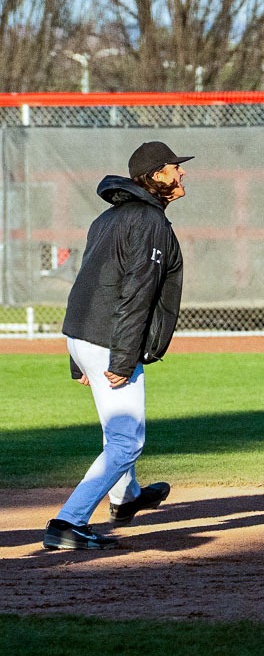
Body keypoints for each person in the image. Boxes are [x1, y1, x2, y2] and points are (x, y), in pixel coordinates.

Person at [44, 141, 191, 550]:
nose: (181, 173)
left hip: (84, 334)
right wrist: (124, 359)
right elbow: (136, 293)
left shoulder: (108, 219)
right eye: (174, 167)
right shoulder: (149, 223)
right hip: (109, 339)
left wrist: (77, 360)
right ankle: (67, 524)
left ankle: (125, 498)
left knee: (116, 433)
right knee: (128, 440)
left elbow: (87, 284)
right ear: (155, 176)